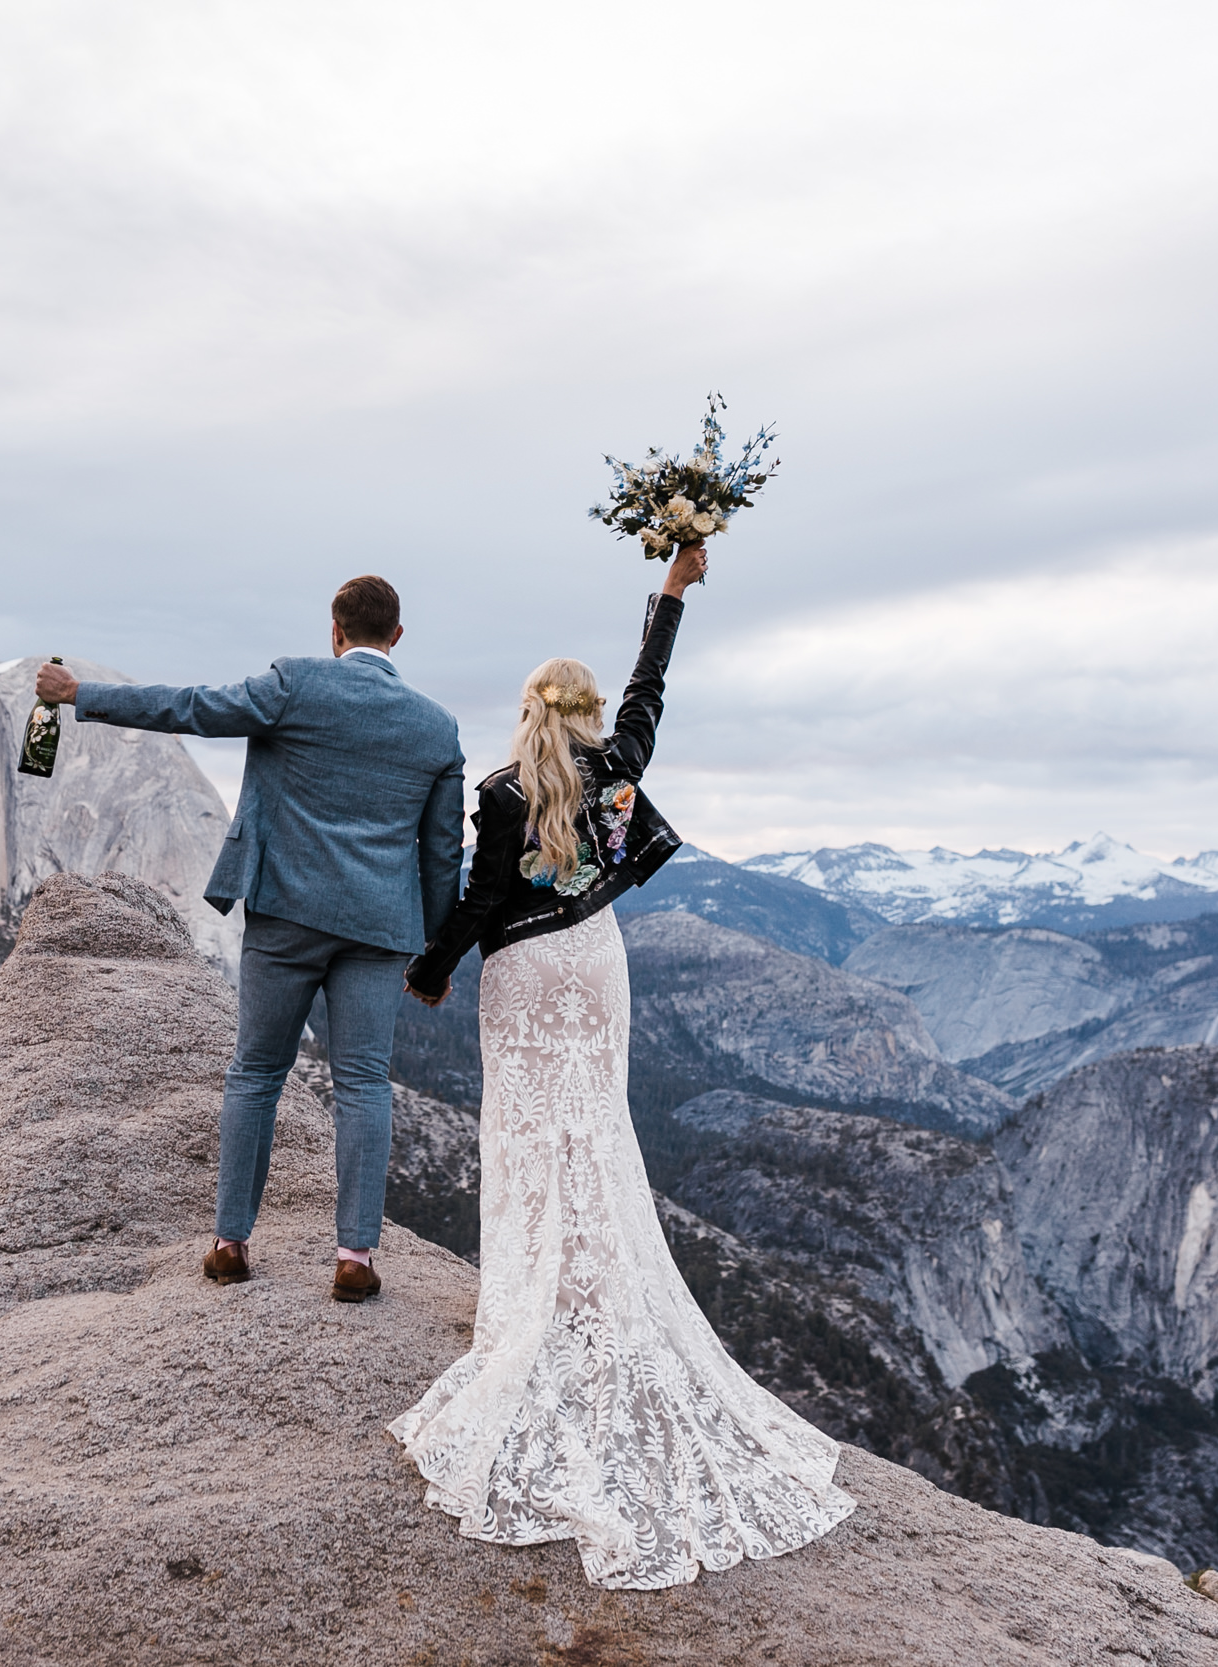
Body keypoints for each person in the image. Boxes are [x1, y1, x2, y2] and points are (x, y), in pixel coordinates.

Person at [390, 542, 856, 1589]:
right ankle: (599, 1300)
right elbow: (652, 688)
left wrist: (430, 968)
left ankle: (533, 1308)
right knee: (596, 1123)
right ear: (592, 715)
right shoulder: (616, 766)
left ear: (526, 712)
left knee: (525, 1129)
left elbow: (476, 900)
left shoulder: (505, 791)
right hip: (596, 958)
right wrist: (673, 592)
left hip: (522, 971)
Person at [34, 576, 464, 1302]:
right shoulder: (436, 726)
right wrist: (438, 952)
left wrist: (78, 695)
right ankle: (355, 1255)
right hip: (377, 926)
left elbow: (192, 708)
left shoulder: (293, 685)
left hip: (285, 914)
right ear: (396, 638)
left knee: (257, 1073)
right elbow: (443, 850)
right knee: (364, 1083)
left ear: (335, 631)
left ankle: (231, 1242)